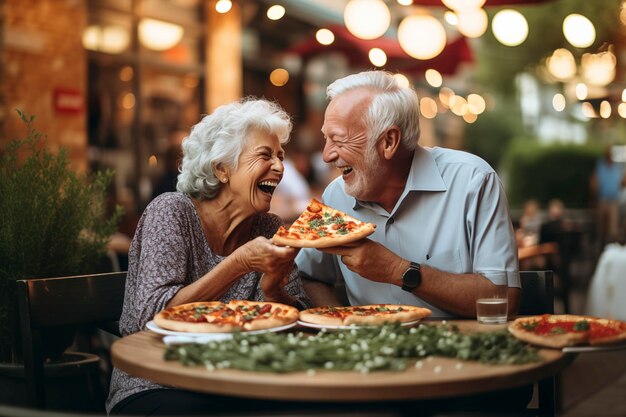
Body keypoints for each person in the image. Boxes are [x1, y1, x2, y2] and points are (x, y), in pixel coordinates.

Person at [295, 70, 527, 413]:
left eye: (339, 140)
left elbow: (504, 301)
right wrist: (341, 325)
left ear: (388, 142)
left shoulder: (474, 181)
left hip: (465, 372)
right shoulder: (335, 197)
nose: (327, 154)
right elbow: (308, 275)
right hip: (370, 376)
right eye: (326, 139)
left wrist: (399, 270)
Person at [106, 98, 311, 415]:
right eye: (265, 155)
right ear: (222, 169)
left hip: (239, 383)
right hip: (158, 383)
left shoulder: (268, 228)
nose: (280, 167)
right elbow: (148, 318)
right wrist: (239, 263)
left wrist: (274, 291)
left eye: (281, 157)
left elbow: (295, 329)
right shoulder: (172, 212)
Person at [591, 145, 625, 251]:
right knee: (601, 229)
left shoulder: (617, 168)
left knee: (612, 230)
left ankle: (611, 249)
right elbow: (594, 183)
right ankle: (601, 249)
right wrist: (593, 198)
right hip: (602, 200)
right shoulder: (600, 166)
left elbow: (622, 183)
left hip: (613, 201)